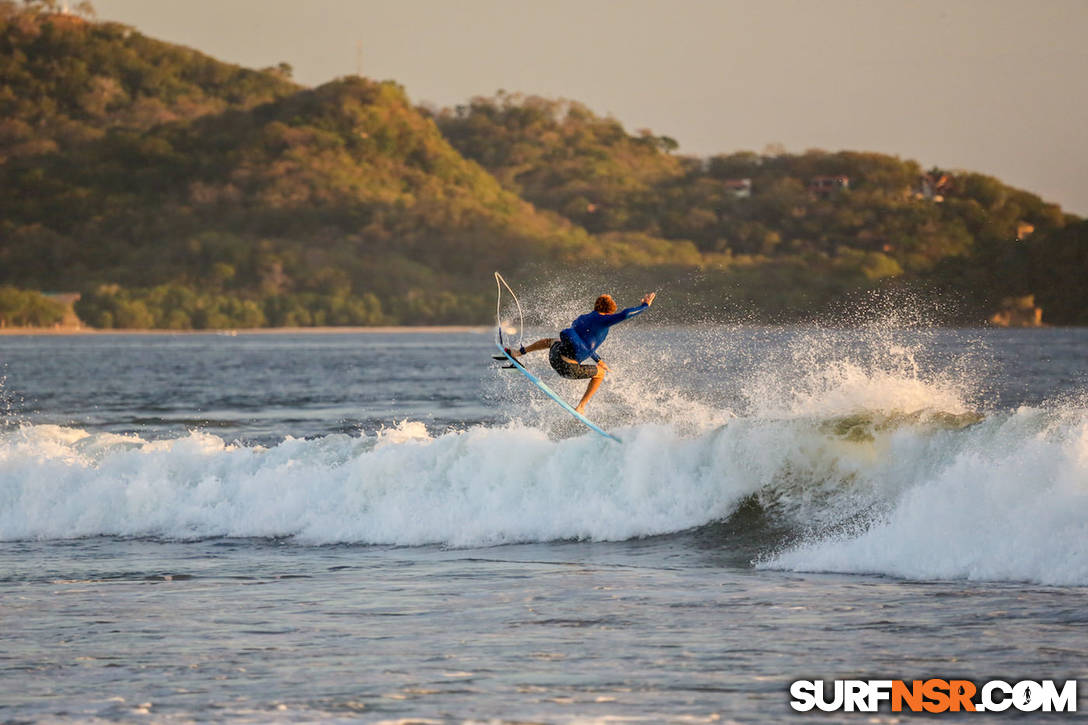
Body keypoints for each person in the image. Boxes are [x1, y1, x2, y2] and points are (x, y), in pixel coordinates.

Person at [505, 291, 655, 414]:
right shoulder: (605, 320)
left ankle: (519, 352)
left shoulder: (582, 318)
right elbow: (626, 314)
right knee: (600, 374)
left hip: (554, 357)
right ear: (610, 311)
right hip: (568, 368)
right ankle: (581, 406)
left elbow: (581, 344)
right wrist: (645, 305)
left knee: (553, 341)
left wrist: (598, 359)